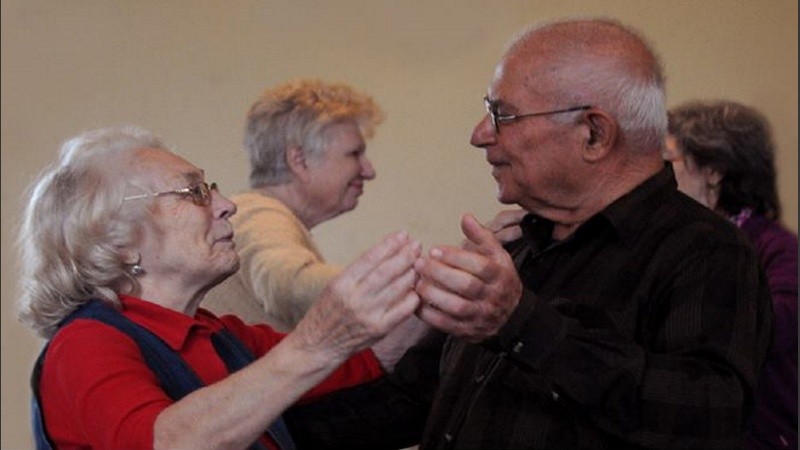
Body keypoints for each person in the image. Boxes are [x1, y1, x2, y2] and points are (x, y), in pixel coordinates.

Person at [407, 18, 773, 449]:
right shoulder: (516, 243)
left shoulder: (705, 250)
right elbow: (416, 398)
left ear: (594, 135)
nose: (480, 135)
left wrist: (523, 324)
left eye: (502, 115)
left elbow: (710, 418)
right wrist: (348, 333)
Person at [18, 125, 424, 449]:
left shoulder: (219, 334)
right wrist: (315, 344)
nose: (228, 205)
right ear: (118, 241)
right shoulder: (84, 343)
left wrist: (433, 297)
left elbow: (367, 359)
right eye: (194, 192)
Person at [665, 100, 798, 450]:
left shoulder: (776, 247)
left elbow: (779, 325)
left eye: (669, 161)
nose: (657, 176)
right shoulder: (679, 241)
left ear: (714, 172)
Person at [203, 79, 384, 332]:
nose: (369, 171)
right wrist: (399, 287)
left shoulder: (259, 213)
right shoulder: (261, 215)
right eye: (354, 154)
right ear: (299, 161)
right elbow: (287, 282)